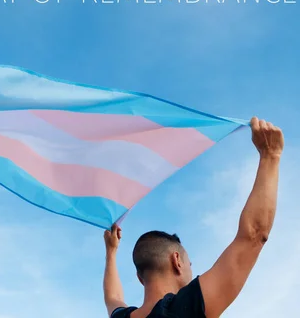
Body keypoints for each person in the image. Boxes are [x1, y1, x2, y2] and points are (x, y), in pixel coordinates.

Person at [102, 117, 284, 318]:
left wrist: (111, 253)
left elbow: (113, 297)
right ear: (177, 261)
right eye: (190, 264)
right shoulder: (183, 309)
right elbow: (254, 235)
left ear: (140, 277)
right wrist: (270, 156)